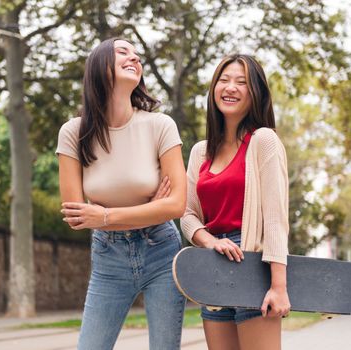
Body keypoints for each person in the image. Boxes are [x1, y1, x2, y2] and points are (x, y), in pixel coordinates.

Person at [56, 37, 187, 350]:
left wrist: (103, 215)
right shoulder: (74, 133)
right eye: (123, 52)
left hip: (162, 251)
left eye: (137, 55)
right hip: (108, 258)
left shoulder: (160, 126)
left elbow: (178, 204)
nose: (135, 58)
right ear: (100, 66)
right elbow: (76, 217)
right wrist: (149, 209)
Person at [180, 54, 290, 350]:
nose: (231, 88)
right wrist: (209, 242)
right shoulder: (200, 152)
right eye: (224, 80)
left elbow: (276, 219)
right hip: (213, 266)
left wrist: (279, 286)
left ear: (256, 94)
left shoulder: (263, 141)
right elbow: (188, 215)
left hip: (253, 262)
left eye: (242, 82)